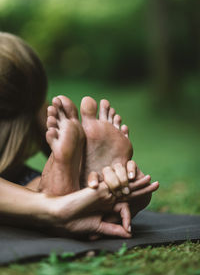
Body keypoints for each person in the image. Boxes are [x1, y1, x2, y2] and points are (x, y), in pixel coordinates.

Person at [0, 32, 159, 238]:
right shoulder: (35, 100)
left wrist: (74, 171)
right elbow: (50, 126)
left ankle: (60, 193)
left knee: (35, 186)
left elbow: (57, 133)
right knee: (30, 183)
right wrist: (58, 203)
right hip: (17, 175)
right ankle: (65, 194)